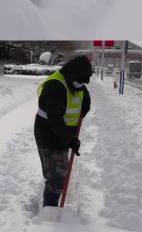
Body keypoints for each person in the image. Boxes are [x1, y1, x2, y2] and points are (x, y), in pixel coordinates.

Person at [34, 56, 92, 207]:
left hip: (61, 134)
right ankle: (49, 211)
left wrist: (86, 104)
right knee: (56, 178)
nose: (82, 85)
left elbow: (81, 102)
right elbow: (55, 119)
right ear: (73, 74)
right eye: (80, 81)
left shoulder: (75, 84)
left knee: (61, 171)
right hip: (47, 135)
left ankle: (52, 205)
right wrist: (70, 139)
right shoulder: (54, 86)